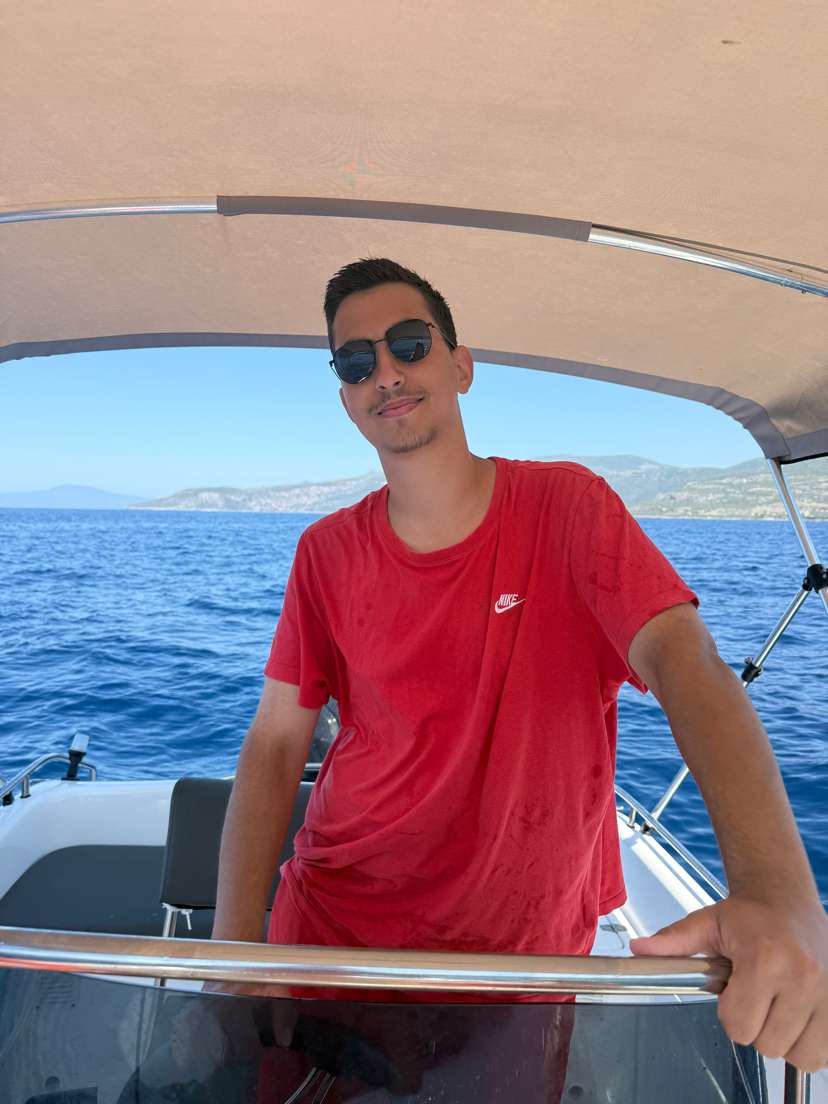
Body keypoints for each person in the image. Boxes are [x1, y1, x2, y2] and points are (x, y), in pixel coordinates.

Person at [213, 257, 828, 1076]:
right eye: (356, 362)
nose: (385, 372)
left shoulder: (570, 510)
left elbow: (687, 664)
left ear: (461, 366)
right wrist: (233, 954)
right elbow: (273, 743)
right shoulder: (324, 553)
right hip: (334, 936)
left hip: (520, 962)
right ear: (345, 396)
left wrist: (777, 888)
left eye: (409, 343)